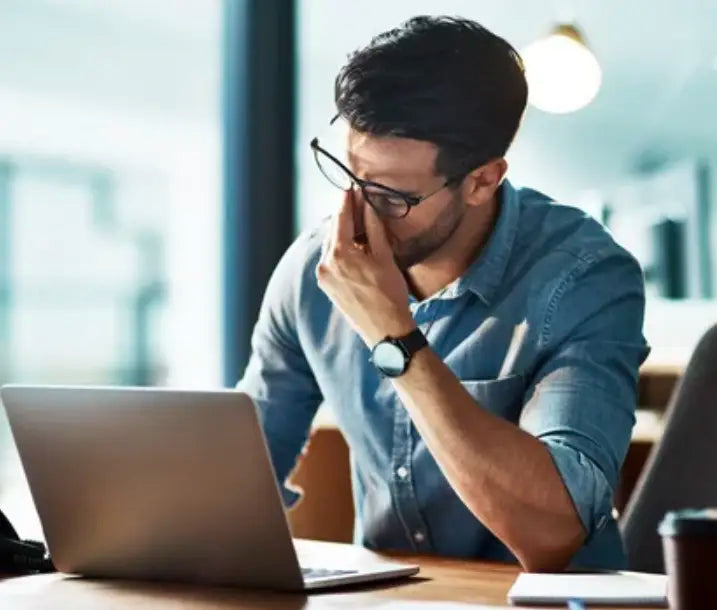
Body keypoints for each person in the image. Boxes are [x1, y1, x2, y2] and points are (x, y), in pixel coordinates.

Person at [237, 15, 649, 572]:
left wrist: (394, 338)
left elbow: (556, 532)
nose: (357, 213)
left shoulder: (584, 277)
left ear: (482, 180)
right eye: (348, 174)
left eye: (391, 195)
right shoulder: (316, 268)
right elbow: (242, 473)